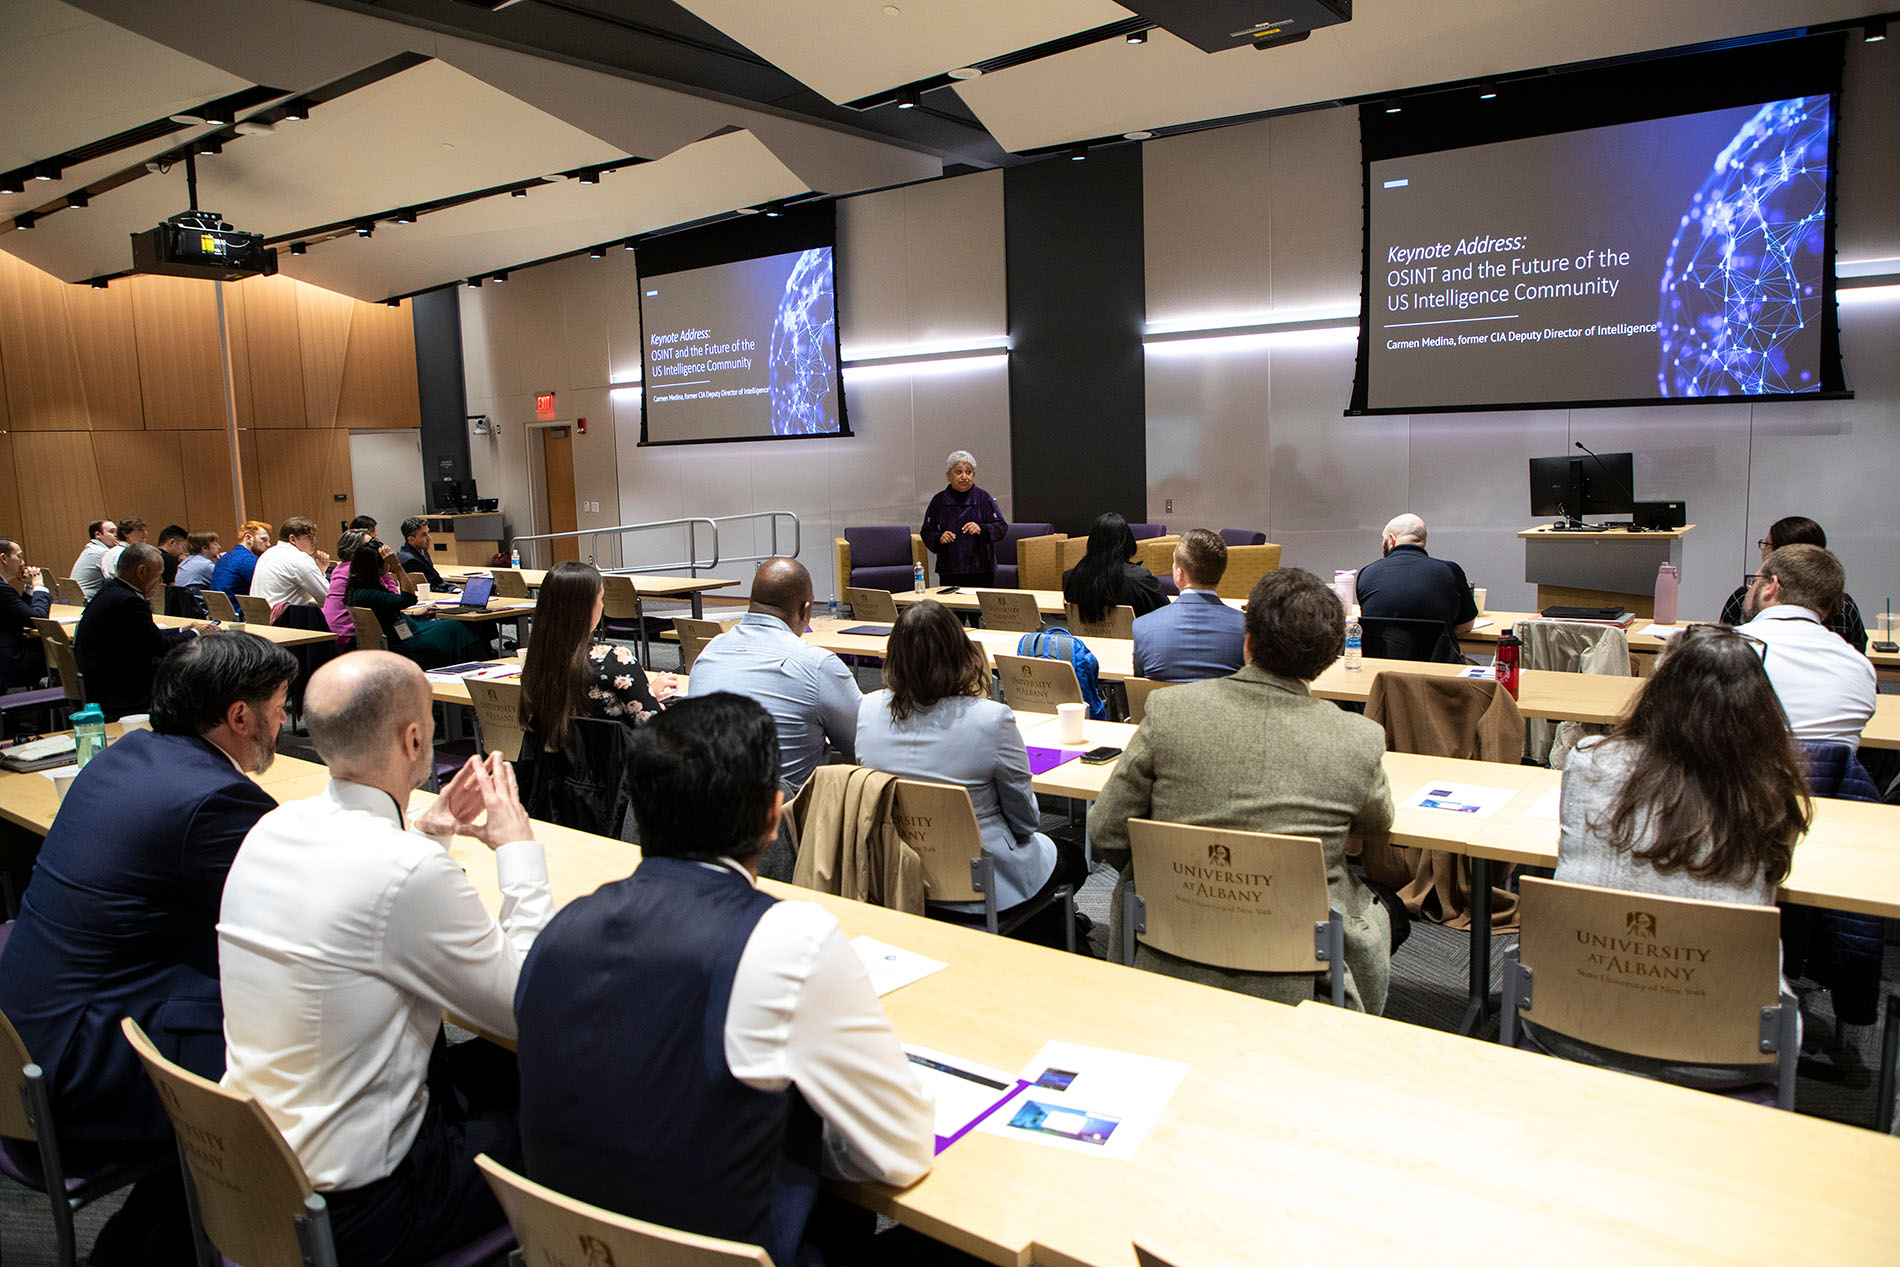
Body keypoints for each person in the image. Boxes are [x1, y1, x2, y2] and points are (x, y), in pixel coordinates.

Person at [514, 693, 933, 1267]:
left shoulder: (560, 929)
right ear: (771, 817)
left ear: (638, 808)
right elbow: (900, 1152)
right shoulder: (789, 938)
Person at [220, 653, 552, 1267]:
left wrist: (434, 830)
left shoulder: (271, 829)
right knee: (570, 1107)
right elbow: (524, 1008)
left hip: (256, 1172)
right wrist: (519, 855)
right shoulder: (404, 870)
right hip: (367, 1209)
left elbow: (368, 920)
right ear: (415, 737)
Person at [0, 633, 294, 1264]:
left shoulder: (124, 754)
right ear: (238, 716)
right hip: (82, 1075)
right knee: (304, 1032)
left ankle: (158, 1231)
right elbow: (299, 914)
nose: (284, 720)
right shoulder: (215, 798)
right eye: (278, 705)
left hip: (26, 1044)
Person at [1088, 567, 1397, 1011]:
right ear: (1327, 659)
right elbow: (1377, 824)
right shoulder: (1358, 738)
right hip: (1301, 959)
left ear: (1246, 640)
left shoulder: (1170, 710)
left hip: (1169, 935)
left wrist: (1168, 873)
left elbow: (1105, 832)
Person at [1527, 623, 1813, 1088]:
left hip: (1567, 1020)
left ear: (1658, 688)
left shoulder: (1589, 761)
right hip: (1725, 1051)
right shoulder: (1769, 788)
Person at [857, 600, 1084, 938]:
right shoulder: (990, 718)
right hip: (985, 884)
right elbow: (1026, 822)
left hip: (899, 874)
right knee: (1073, 858)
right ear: (960, 650)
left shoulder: (867, 708)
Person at [687, 557, 859, 794]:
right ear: (805, 610)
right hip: (783, 820)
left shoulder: (709, 651)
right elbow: (860, 742)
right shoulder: (818, 665)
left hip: (706, 808)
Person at [517, 562, 676, 750]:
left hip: (554, 773)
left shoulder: (536, 661)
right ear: (584, 608)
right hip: (614, 771)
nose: (602, 606)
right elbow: (658, 733)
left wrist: (644, 694)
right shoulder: (615, 659)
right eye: (601, 598)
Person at [1738, 543, 1877, 751]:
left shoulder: (1723, 649)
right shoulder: (1860, 668)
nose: (1749, 590)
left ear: (1771, 586)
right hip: (1825, 783)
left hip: (1739, 781)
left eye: (1754, 582)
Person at [74, 544, 211, 719]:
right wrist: (196, 634)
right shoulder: (129, 602)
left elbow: (144, 636)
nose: (160, 581)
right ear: (142, 571)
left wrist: (182, 630)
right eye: (158, 574)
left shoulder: (112, 591)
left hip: (102, 681)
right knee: (194, 669)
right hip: (124, 689)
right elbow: (159, 647)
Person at [1720, 515, 1868, 651]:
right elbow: (1859, 650)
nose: (1763, 550)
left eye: (1766, 544)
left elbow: (1722, 647)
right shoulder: (1844, 605)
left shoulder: (1746, 598)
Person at [1131, 528, 1245, 681]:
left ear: (1179, 574)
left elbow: (1139, 682)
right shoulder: (1247, 628)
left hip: (1165, 705)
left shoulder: (1142, 626)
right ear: (1221, 572)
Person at [346, 543, 483, 668]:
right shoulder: (369, 594)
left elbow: (385, 614)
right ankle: (478, 666)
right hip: (407, 642)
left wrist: (415, 614)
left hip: (404, 631)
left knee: (450, 624)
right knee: (458, 626)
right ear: (377, 567)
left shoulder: (357, 591)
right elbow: (409, 599)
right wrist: (397, 567)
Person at [1352, 513, 1478, 636]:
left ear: (1391, 539)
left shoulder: (1367, 573)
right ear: (1423, 541)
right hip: (1436, 656)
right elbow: (1466, 626)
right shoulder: (1451, 571)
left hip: (1379, 657)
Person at [920, 450, 1008, 587]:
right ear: (948, 476)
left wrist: (982, 528)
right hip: (949, 570)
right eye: (959, 472)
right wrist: (939, 538)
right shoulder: (938, 500)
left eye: (968, 472)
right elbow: (926, 532)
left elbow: (1001, 527)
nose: (964, 477)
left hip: (981, 570)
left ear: (974, 475)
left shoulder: (984, 498)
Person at [1061, 512, 1168, 625]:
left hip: (1086, 641)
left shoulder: (1073, 577)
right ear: (1127, 542)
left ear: (1091, 542)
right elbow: (1165, 612)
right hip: (1133, 641)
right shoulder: (1139, 579)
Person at [323, 529, 401, 644]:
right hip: (352, 636)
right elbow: (393, 598)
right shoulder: (361, 573)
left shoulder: (340, 568)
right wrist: (386, 568)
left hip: (333, 632)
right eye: (370, 545)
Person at [0, 538, 52, 691]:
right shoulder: (2, 590)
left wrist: (29, 587)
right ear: (3, 558)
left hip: (7, 652)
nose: (23, 562)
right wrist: (39, 586)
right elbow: (39, 618)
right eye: (19, 556)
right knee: (66, 655)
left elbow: (20, 614)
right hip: (11, 661)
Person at [252, 516, 331, 609]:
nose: (314, 541)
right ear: (292, 539)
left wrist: (319, 571)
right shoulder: (299, 558)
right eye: (310, 537)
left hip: (259, 619)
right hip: (282, 620)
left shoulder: (267, 554)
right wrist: (321, 573)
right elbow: (328, 597)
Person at [210, 520, 270, 597]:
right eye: (264, 539)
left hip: (221, 608)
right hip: (238, 607)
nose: (268, 544)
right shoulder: (248, 559)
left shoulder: (225, 557)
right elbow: (265, 588)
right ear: (248, 538)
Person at [397, 515, 452, 590]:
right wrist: (453, 590)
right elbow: (432, 585)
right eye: (424, 535)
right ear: (411, 540)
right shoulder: (410, 560)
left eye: (428, 533)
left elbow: (436, 579)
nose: (429, 538)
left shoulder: (421, 550)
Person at [68, 518, 118, 600]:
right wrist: (120, 551)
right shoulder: (101, 553)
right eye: (111, 532)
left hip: (78, 599)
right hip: (87, 602)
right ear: (98, 535)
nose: (116, 535)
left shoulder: (92, 549)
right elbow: (121, 578)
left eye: (116, 532)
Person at [99, 516, 148, 584]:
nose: (145, 533)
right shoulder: (126, 554)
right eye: (140, 530)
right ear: (126, 533)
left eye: (145, 530)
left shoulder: (111, 551)